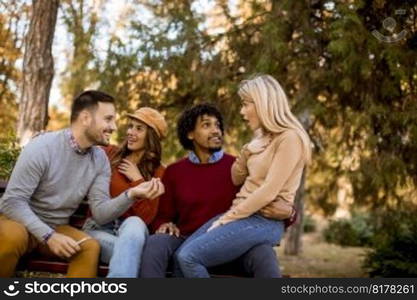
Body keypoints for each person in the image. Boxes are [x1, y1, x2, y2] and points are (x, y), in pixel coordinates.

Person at [0, 91, 163, 278]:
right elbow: (12, 202)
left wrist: (131, 195)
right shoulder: (42, 147)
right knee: (12, 236)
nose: (114, 127)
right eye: (108, 119)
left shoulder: (100, 159)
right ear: (86, 118)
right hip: (19, 223)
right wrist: (48, 236)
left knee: (89, 247)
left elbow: (100, 213)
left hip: (56, 227)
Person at [175, 75, 312, 277]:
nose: (242, 111)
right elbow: (236, 178)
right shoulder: (261, 138)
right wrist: (247, 151)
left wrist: (227, 219)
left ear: (263, 104)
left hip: (262, 220)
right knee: (179, 257)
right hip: (242, 216)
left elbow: (269, 191)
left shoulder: (289, 138)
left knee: (188, 257)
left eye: (246, 104)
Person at [140, 103, 292, 278]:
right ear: (190, 134)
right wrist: (164, 224)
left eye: (217, 125)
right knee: (155, 244)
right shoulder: (174, 172)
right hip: (187, 241)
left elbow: (272, 200)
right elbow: (163, 215)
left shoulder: (239, 168)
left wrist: (289, 213)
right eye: (206, 125)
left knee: (264, 254)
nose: (216, 131)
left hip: (232, 244)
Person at [83, 107, 166, 278]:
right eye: (130, 126)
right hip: (98, 229)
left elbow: (146, 217)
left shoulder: (159, 172)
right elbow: (80, 140)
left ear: (151, 137)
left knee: (135, 223)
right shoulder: (109, 154)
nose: (130, 132)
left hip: (132, 233)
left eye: (139, 128)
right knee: (134, 255)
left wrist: (137, 180)